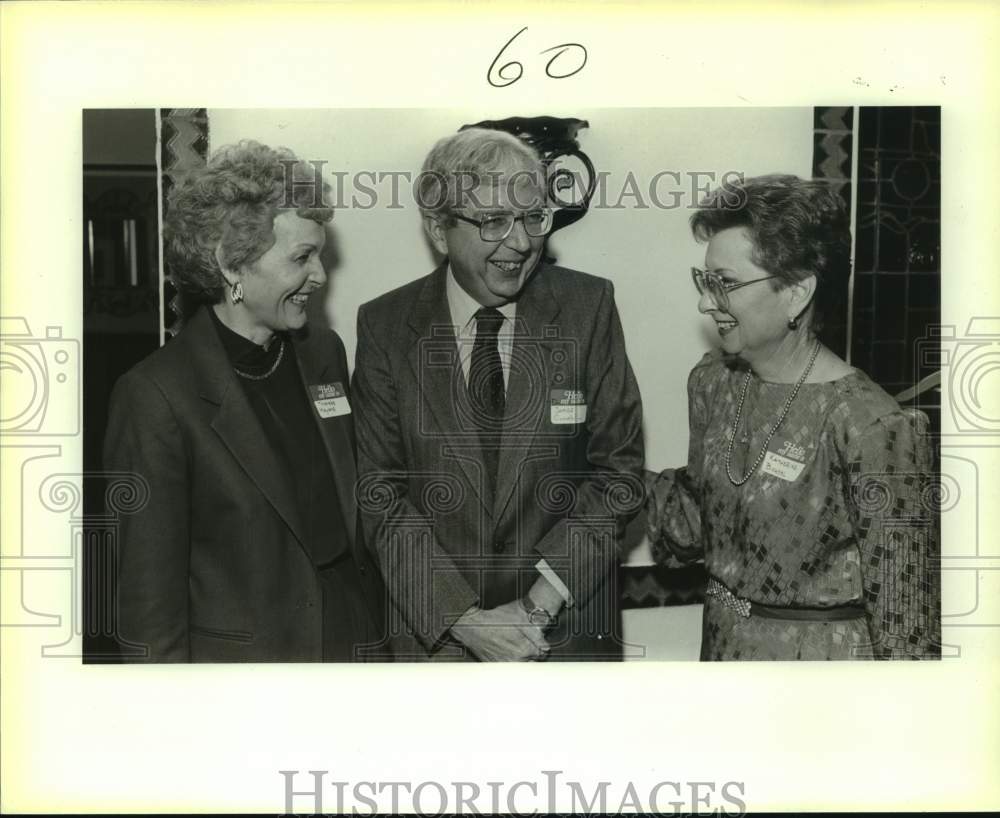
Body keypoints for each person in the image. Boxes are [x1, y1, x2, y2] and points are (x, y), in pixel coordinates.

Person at [351, 128, 644, 661]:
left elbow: (618, 475)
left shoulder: (588, 307)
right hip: (439, 646)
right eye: (492, 221)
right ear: (440, 231)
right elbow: (380, 493)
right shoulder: (385, 327)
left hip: (563, 636)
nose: (521, 242)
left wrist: (536, 607)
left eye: (533, 217)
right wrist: (465, 620)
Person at [105, 140, 389, 662]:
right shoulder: (155, 397)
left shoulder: (323, 352)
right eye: (302, 257)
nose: (321, 275)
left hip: (355, 640)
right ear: (231, 266)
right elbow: (148, 609)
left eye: (320, 254)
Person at [647, 174, 940, 660]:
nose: (704, 302)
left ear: (797, 293)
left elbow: (906, 629)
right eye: (705, 281)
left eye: (726, 284)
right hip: (721, 654)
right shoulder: (714, 384)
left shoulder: (873, 426)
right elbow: (698, 521)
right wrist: (608, 471)